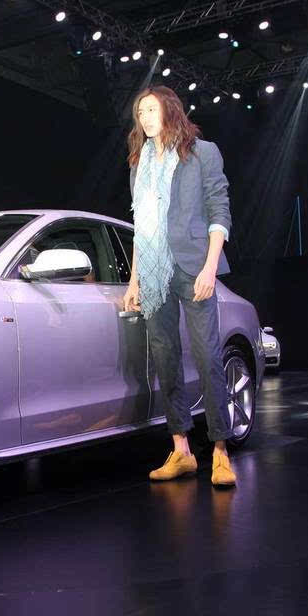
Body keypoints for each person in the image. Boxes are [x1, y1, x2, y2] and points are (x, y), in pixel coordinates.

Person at [122, 85, 237, 487]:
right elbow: (141, 226)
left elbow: (219, 209)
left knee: (208, 358)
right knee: (165, 361)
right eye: (140, 112)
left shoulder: (202, 153)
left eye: (152, 110)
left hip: (193, 268)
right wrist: (135, 279)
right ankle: (181, 449)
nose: (145, 118)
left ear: (170, 110)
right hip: (155, 274)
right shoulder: (139, 163)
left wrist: (210, 268)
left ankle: (220, 451)